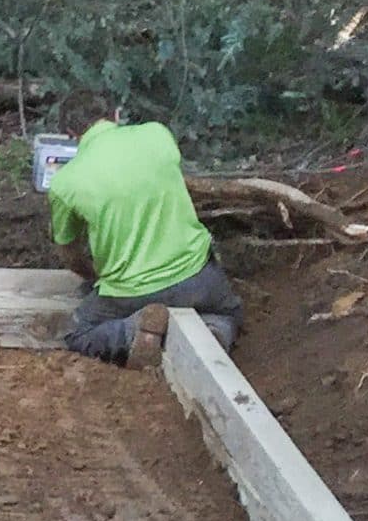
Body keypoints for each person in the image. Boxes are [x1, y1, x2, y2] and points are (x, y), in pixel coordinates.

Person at [45, 114, 241, 368]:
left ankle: (135, 330)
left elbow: (69, 253)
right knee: (229, 312)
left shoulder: (65, 181)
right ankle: (213, 331)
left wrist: (93, 276)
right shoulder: (157, 134)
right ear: (114, 115)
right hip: (197, 277)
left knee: (79, 333)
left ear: (71, 134)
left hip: (130, 293)